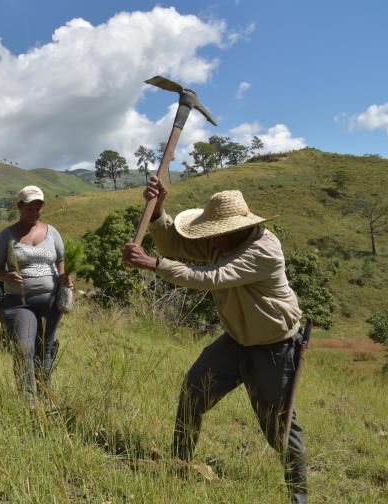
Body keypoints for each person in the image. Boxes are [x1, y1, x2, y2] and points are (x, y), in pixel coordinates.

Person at [121, 176, 307, 504]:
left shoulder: (264, 250)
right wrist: (158, 210)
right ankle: (179, 462)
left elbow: (212, 277)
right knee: (194, 390)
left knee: (279, 425)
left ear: (236, 229)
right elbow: (173, 245)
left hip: (274, 347)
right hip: (236, 340)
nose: (211, 241)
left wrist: (152, 265)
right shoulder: (221, 240)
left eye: (215, 235)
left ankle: (298, 495)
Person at [0, 185, 71, 404]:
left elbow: (61, 259)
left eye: (38, 207)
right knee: (25, 349)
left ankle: (46, 398)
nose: (34, 211)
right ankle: (28, 403)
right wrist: (7, 276)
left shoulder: (52, 232)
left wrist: (63, 278)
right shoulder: (6, 236)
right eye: (30, 207)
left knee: (45, 350)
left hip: (51, 302)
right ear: (19, 206)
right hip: (19, 303)